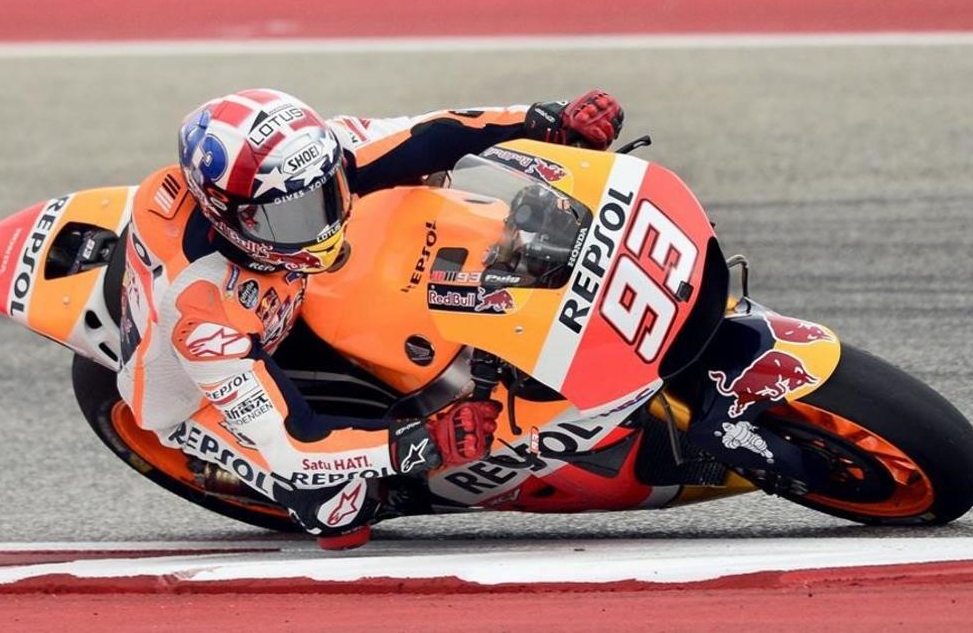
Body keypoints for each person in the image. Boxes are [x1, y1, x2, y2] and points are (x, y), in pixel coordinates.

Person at [115, 88, 624, 549]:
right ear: (232, 217)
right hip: (195, 390)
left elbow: (428, 134)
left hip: (286, 289)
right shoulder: (204, 318)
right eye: (293, 216)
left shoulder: (299, 162)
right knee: (340, 511)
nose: (324, 222)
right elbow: (296, 443)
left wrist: (544, 121)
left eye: (327, 195)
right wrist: (424, 442)